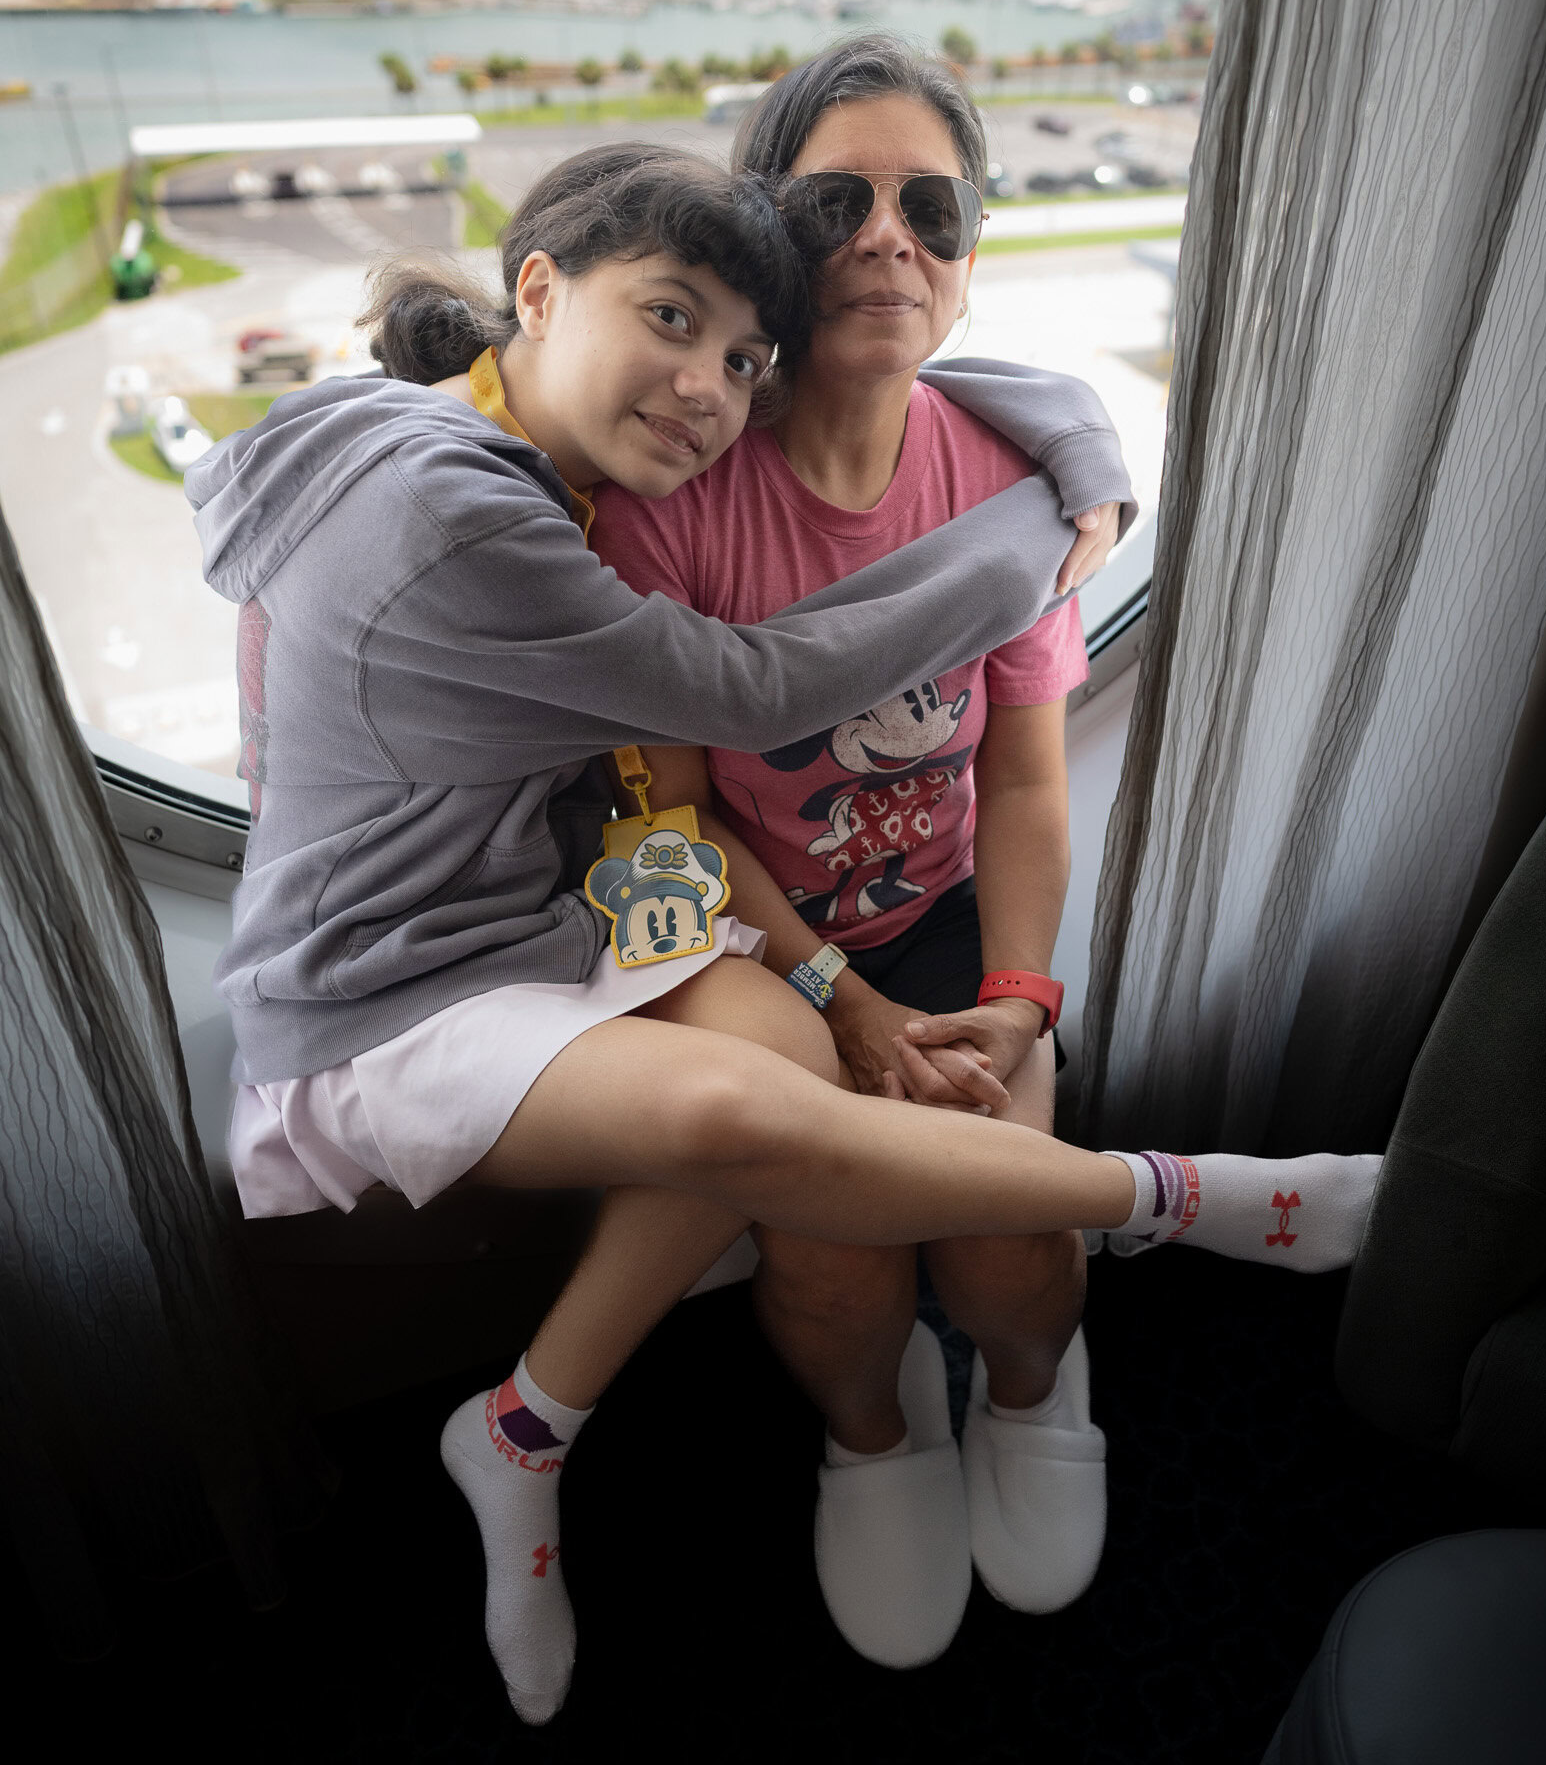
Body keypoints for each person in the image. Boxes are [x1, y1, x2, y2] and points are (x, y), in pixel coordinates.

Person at [188, 139, 1380, 1727]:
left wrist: (1072, 440)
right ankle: (1191, 1204)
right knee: (746, 1115)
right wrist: (1051, 525)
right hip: (380, 988)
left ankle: (525, 1431)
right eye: (669, 321)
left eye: (742, 358)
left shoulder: (474, 434)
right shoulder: (453, 509)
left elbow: (910, 381)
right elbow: (749, 700)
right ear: (535, 291)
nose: (704, 386)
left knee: (777, 1067)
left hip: (526, 927)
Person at [591, 34, 1380, 1667]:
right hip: (751, 950)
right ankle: (875, 1434)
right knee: (821, 1255)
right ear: (767, 236)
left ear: (967, 254)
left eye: (932, 208)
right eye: (837, 200)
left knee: (1011, 1233)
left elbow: (1022, 779)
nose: (889, 237)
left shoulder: (1016, 482)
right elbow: (658, 820)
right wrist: (835, 1000)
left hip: (944, 921)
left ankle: (1032, 1382)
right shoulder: (672, 499)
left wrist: (1018, 997)